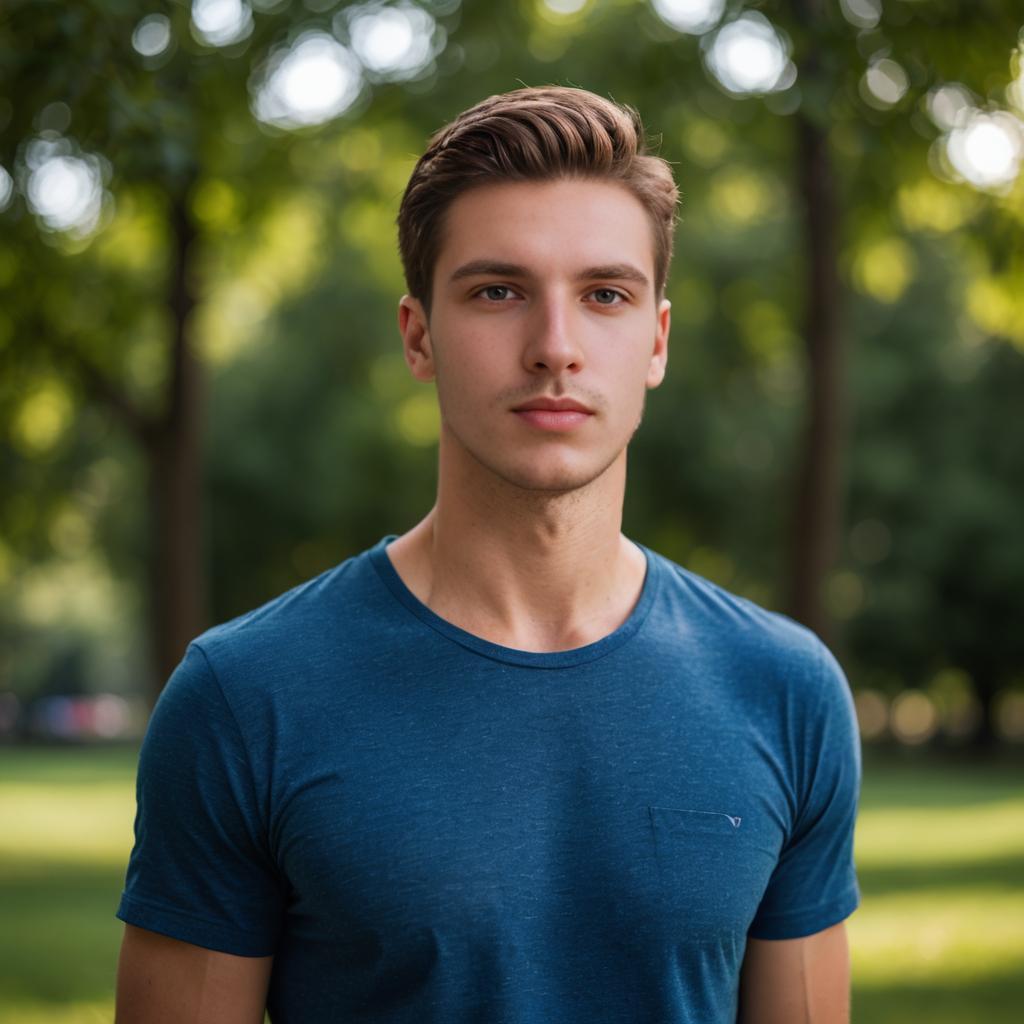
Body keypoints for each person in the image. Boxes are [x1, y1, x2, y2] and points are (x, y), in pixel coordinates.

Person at [114, 86, 860, 1023]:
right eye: (498, 291)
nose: (555, 347)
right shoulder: (244, 698)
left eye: (605, 295)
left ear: (657, 340)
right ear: (419, 335)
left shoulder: (785, 691)